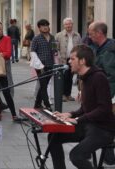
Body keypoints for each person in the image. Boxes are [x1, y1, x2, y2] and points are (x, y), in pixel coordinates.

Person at [48, 44, 115, 169]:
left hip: (103, 129)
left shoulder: (98, 77)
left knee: (77, 155)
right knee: (54, 137)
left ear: (82, 61)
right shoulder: (84, 77)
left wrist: (78, 120)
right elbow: (86, 108)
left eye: (72, 59)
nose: (69, 61)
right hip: (89, 125)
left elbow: (104, 109)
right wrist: (71, 114)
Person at [88, 21, 115, 165]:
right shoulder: (97, 48)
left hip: (109, 96)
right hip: (102, 95)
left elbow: (110, 77)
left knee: (105, 123)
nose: (90, 37)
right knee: (105, 124)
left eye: (91, 34)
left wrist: (105, 97)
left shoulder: (110, 49)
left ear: (99, 33)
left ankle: (108, 156)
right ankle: (108, 157)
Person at [31, 19, 56, 110]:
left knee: (43, 85)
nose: (45, 27)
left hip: (50, 64)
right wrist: (39, 65)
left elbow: (55, 51)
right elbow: (33, 52)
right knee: (44, 85)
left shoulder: (52, 37)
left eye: (47, 25)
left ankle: (37, 104)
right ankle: (47, 105)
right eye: (43, 26)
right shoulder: (36, 38)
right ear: (39, 28)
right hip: (40, 66)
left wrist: (57, 58)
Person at [55, 17, 81, 102]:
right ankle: (62, 95)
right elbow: (55, 48)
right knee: (63, 77)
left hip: (73, 59)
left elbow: (80, 47)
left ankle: (68, 94)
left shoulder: (77, 35)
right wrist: (57, 57)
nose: (68, 25)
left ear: (72, 24)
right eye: (66, 24)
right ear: (64, 25)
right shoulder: (58, 35)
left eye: (69, 24)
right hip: (63, 59)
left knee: (70, 77)